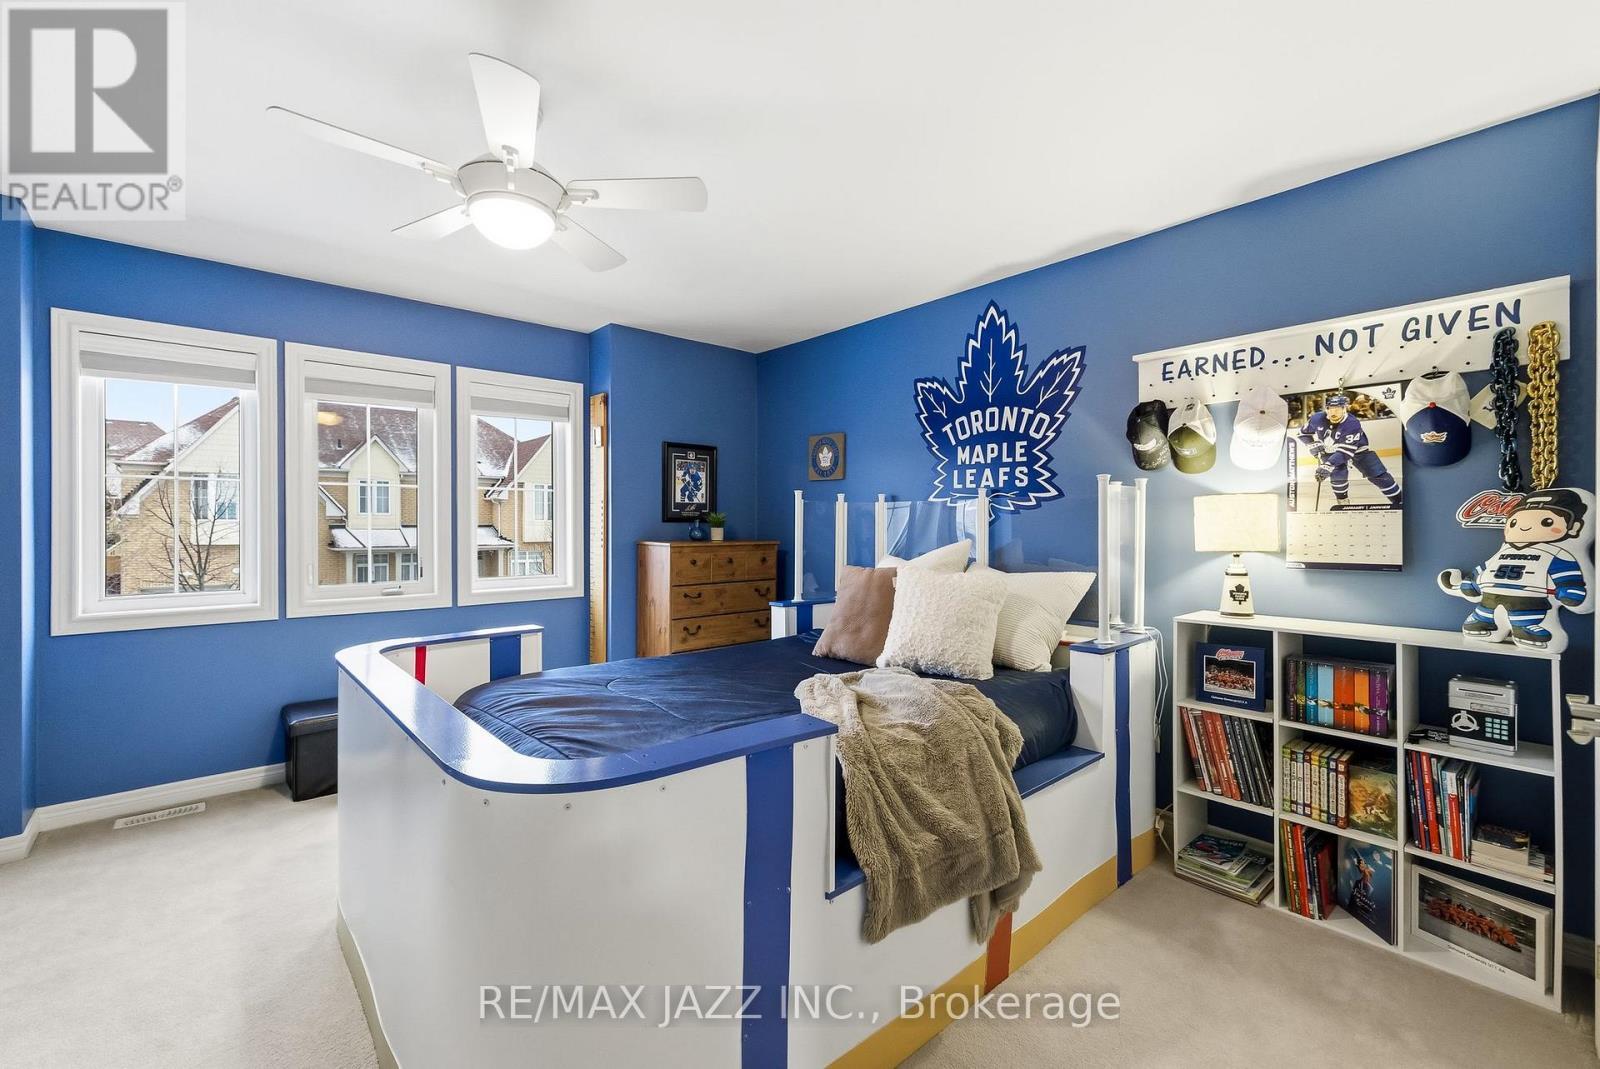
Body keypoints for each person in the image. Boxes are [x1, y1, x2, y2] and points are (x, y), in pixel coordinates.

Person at [1446, 488, 1590, 649]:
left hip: (1530, 598)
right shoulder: (1504, 551)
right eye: (1514, 523)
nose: (1524, 528)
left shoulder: (1556, 553)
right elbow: (1485, 567)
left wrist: (1570, 590)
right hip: (1491, 595)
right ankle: (1482, 622)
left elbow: (1567, 576)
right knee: (1485, 610)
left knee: (1525, 613)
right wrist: (1471, 582)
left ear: (1574, 527)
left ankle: (1525, 628)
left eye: (1546, 522)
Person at [1297, 393, 1402, 510]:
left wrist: (1328, 465)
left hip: (1357, 450)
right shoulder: (1317, 418)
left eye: (1337, 409)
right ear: (1326, 409)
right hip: (1331, 451)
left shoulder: (1352, 423)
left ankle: (1399, 499)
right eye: (1330, 409)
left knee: (1378, 474)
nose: (1333, 412)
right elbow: (1302, 434)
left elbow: (1345, 452)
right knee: (1338, 475)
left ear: (1344, 409)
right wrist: (1311, 443)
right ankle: (1343, 503)